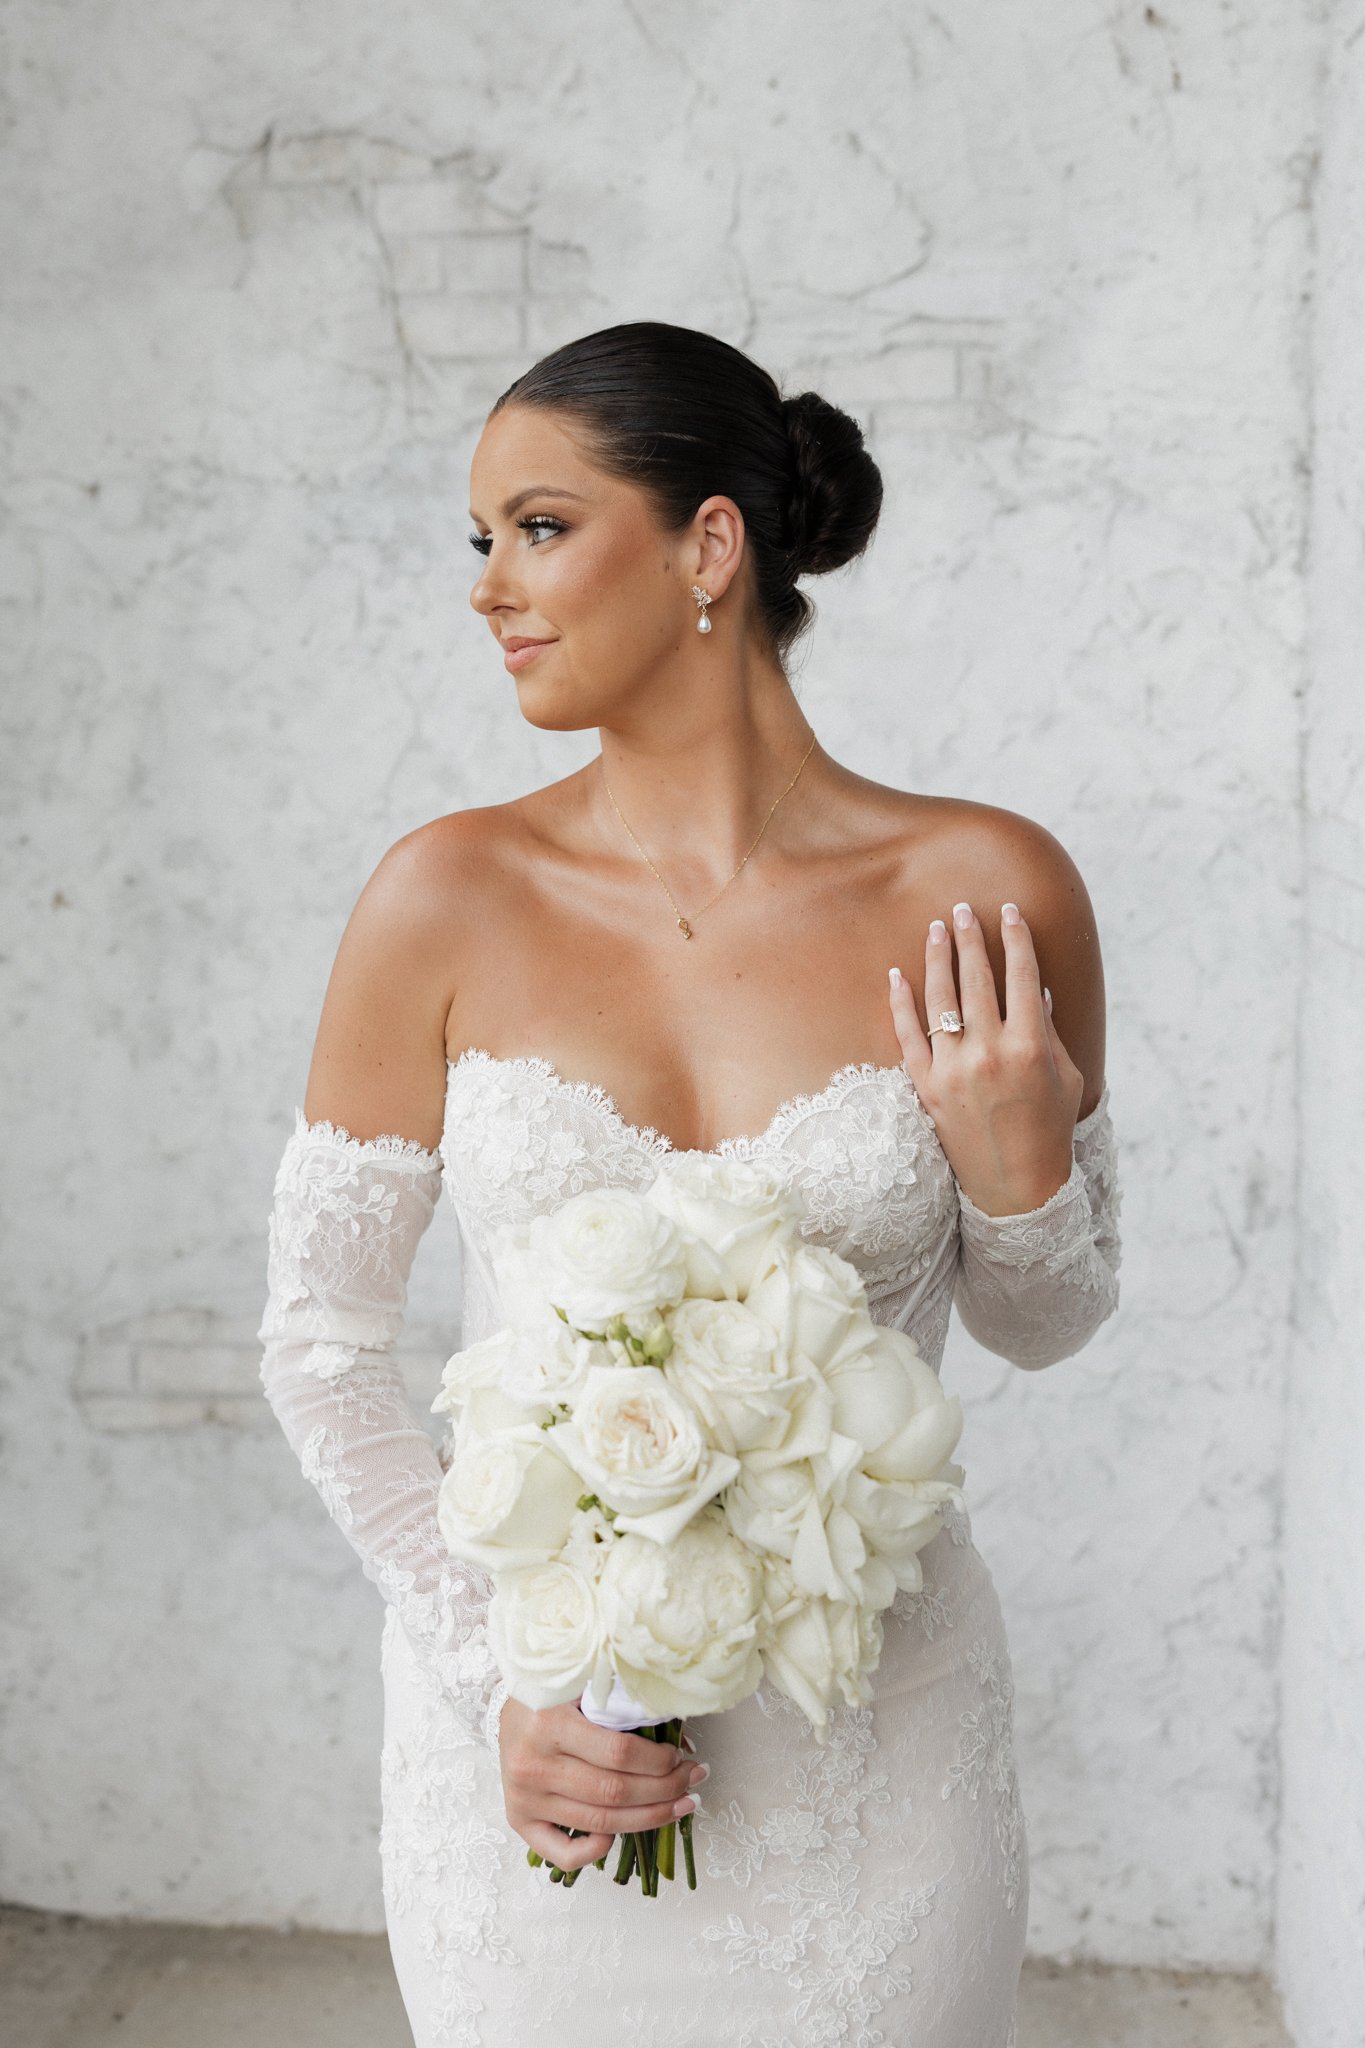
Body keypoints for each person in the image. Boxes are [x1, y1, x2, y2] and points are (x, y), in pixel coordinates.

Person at [257, 320, 1120, 2048]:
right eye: (479, 538)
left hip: (878, 1744)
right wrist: (497, 1675)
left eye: (542, 525)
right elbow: (323, 1346)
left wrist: (1021, 1178)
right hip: (543, 1754)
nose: (490, 585)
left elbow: (1043, 1322)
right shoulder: (442, 895)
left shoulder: (984, 885)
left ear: (710, 544)